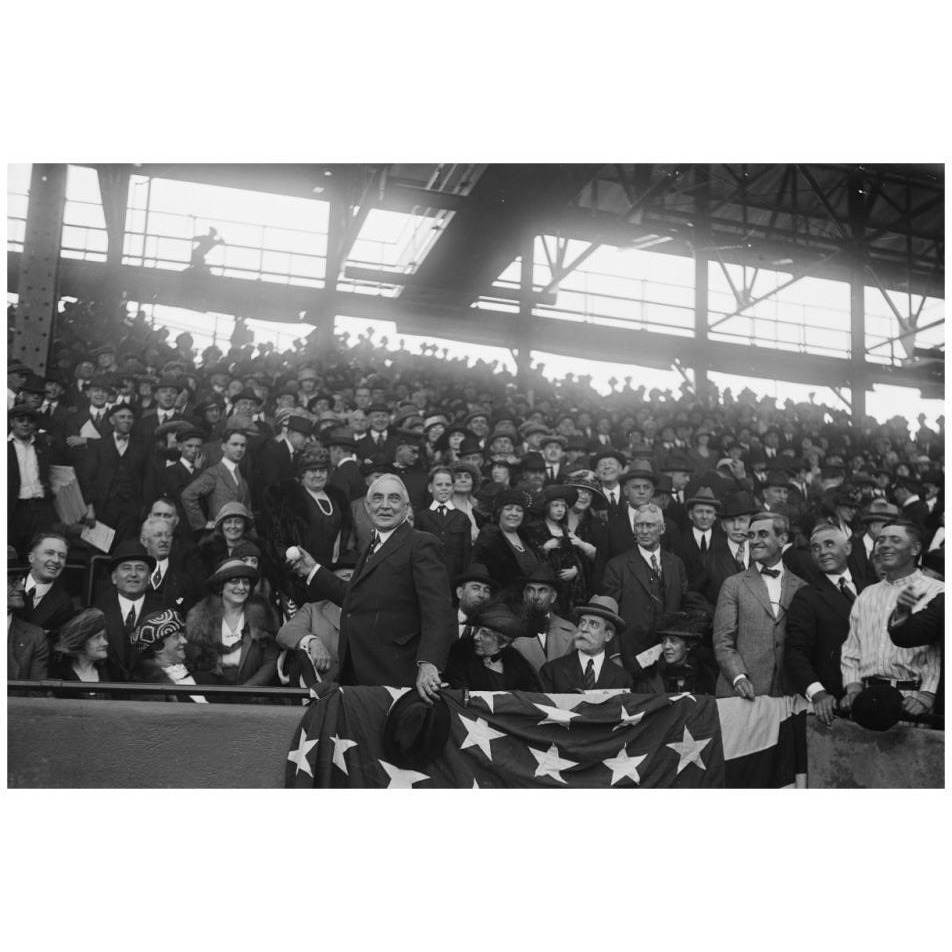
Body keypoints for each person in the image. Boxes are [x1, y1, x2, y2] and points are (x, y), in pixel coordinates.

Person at [288, 474, 456, 702]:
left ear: (406, 507)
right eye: (377, 498)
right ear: (367, 507)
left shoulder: (421, 543)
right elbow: (356, 598)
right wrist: (312, 571)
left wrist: (429, 663)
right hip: (360, 672)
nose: (385, 505)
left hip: (398, 674)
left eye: (393, 499)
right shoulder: (371, 546)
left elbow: (439, 610)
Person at [839, 520, 943, 719]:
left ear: (915, 549)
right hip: (868, 699)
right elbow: (852, 649)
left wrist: (926, 695)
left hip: (913, 702)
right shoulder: (867, 594)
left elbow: (938, 653)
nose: (885, 545)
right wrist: (853, 689)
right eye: (881, 540)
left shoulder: (937, 591)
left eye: (895, 540)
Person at [712, 511, 807, 699]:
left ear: (782, 539)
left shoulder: (801, 587)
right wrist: (738, 677)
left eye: (763, 534)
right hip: (740, 694)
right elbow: (723, 641)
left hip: (786, 696)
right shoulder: (734, 584)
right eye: (751, 535)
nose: (754, 541)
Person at [784, 525, 864, 725]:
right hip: (835, 702)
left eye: (829, 544)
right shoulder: (807, 596)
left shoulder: (870, 587)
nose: (823, 552)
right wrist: (818, 693)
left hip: (875, 694)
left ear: (847, 549)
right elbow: (796, 651)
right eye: (816, 548)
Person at [600, 503, 689, 670]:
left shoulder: (675, 563)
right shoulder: (617, 566)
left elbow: (683, 606)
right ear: (634, 529)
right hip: (631, 656)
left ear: (662, 529)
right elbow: (610, 617)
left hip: (670, 655)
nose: (644, 531)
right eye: (639, 525)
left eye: (650, 525)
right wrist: (615, 654)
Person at [184, 558, 279, 689]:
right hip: (212, 694)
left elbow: (270, 661)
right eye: (234, 581)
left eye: (245, 582)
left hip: (254, 695)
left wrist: (248, 688)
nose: (241, 587)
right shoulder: (200, 619)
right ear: (221, 586)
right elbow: (194, 661)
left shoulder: (263, 617)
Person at [81, 403, 154, 545]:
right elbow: (87, 478)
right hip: (102, 507)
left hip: (131, 509)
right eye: (122, 417)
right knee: (98, 549)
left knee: (125, 550)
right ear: (112, 420)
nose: (126, 420)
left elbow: (148, 479)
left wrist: (144, 510)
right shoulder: (97, 445)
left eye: (130, 417)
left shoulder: (143, 447)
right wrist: (89, 508)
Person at [92, 541, 165, 678]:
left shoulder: (163, 615)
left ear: (149, 578)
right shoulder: (96, 612)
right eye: (126, 568)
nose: (133, 574)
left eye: (140, 569)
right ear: (114, 578)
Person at [539, 595, 633, 692]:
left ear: (608, 635)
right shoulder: (552, 671)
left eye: (593, 624)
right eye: (582, 622)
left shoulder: (623, 679)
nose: (583, 629)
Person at [444, 602, 541, 692]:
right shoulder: (460, 652)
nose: (476, 637)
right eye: (477, 630)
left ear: (503, 643)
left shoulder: (517, 662)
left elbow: (531, 695)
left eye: (485, 634)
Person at [130, 608, 221, 701]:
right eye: (176, 637)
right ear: (158, 647)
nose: (184, 641)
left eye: (182, 635)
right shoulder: (149, 692)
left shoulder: (206, 676)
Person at [523, 484, 588, 613]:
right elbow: (530, 559)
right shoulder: (534, 529)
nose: (560, 510)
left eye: (563, 506)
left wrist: (575, 570)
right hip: (546, 587)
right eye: (556, 505)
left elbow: (577, 556)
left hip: (569, 590)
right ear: (547, 507)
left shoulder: (565, 530)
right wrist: (545, 548)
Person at [180, 428, 253, 535]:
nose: (239, 449)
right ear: (223, 446)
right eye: (235, 444)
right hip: (218, 536)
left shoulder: (241, 477)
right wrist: (202, 525)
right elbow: (187, 495)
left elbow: (247, 510)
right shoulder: (214, 473)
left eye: (243, 445)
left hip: (240, 536)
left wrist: (252, 535)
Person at [414, 465, 473, 592]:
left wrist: (463, 582)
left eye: (448, 485)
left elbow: (466, 554)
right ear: (430, 488)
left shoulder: (462, 518)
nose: (444, 488)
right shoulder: (421, 517)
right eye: (439, 485)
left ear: (453, 488)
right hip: (427, 579)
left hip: (454, 580)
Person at [7, 405, 57, 556]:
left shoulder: (42, 446)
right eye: (20, 420)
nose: (25, 424)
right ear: (11, 423)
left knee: (40, 553)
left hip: (41, 508)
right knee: (15, 554)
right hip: (15, 509)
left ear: (35, 425)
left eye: (30, 421)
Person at [509, 564, 577, 673]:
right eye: (530, 590)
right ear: (524, 595)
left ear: (553, 597)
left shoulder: (571, 630)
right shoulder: (510, 631)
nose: (535, 597)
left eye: (542, 590)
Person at [471, 490, 539, 590]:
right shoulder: (489, 539)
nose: (514, 514)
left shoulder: (527, 537)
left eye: (519, 510)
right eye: (508, 509)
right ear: (499, 513)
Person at [49, 608, 123, 695]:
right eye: (97, 638)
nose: (105, 642)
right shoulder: (58, 677)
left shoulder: (114, 674)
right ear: (80, 641)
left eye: (104, 636)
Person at [140, 516, 203, 615]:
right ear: (144, 541)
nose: (164, 540)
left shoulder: (185, 582)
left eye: (168, 535)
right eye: (158, 535)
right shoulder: (133, 576)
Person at [18, 532, 74, 636]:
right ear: (31, 557)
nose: (56, 560)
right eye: (49, 553)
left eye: (62, 556)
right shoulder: (8, 584)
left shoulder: (65, 604)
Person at [654, 611, 718, 695]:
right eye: (664, 641)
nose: (666, 646)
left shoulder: (704, 676)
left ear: (688, 646)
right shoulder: (652, 677)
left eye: (673, 641)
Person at [8, 568, 49, 680]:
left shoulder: (35, 637)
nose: (22, 588)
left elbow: (35, 694)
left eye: (21, 581)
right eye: (13, 582)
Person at [453, 564, 496, 638]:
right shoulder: (441, 620)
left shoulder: (493, 629)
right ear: (460, 592)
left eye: (486, 590)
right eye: (475, 588)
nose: (481, 595)